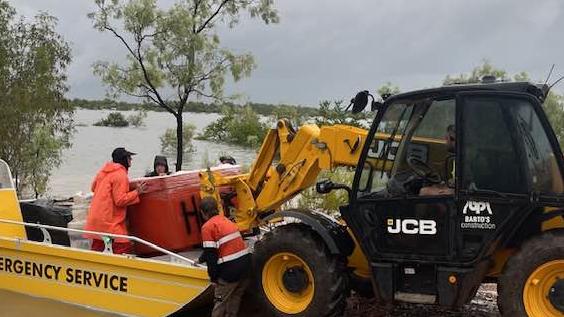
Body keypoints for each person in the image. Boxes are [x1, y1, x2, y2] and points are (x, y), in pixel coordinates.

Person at [85, 147, 146, 254]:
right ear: (124, 159)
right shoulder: (121, 175)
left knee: (99, 248)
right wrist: (137, 192)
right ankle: (117, 269)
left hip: (95, 222)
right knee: (123, 246)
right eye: (129, 158)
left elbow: (93, 188)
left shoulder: (103, 172)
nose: (131, 160)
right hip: (109, 223)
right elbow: (120, 200)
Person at [198, 196, 251, 317]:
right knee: (235, 298)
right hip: (246, 269)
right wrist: (201, 259)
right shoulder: (226, 221)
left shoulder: (207, 227)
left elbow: (211, 255)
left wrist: (214, 278)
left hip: (230, 273)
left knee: (220, 303)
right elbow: (217, 247)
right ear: (217, 209)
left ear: (202, 212)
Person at [419, 125, 456, 196]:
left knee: (423, 191)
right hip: (454, 188)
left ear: (452, 138)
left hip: (457, 192)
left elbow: (467, 181)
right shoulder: (456, 156)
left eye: (446, 138)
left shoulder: (461, 158)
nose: (445, 141)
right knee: (434, 187)